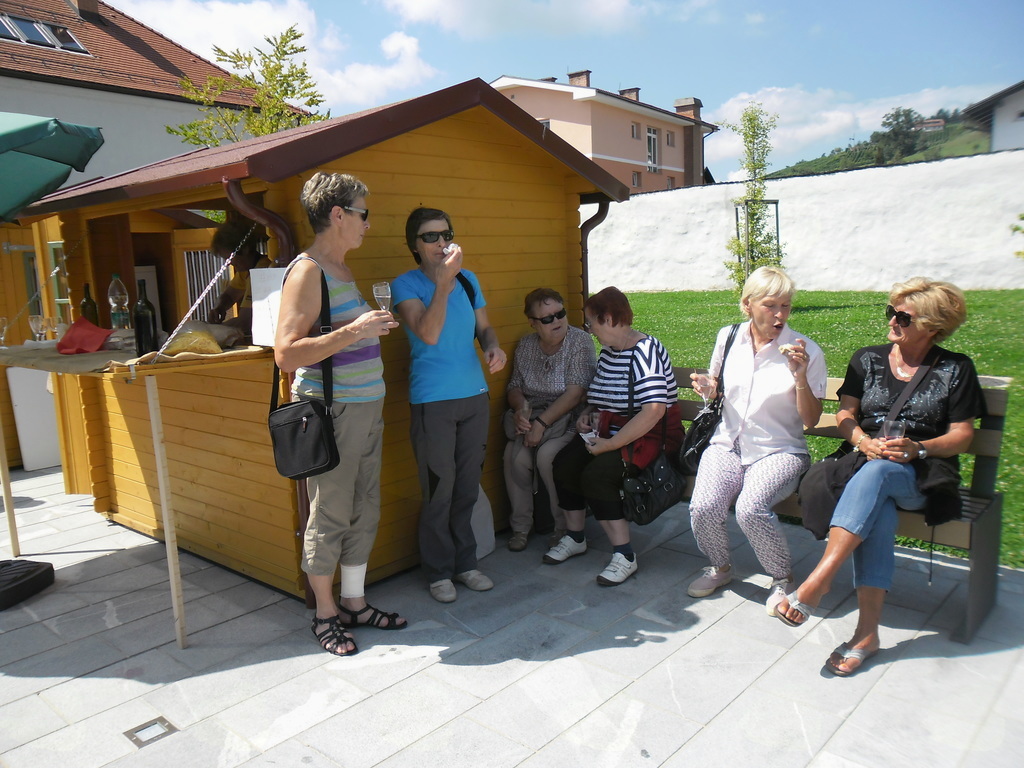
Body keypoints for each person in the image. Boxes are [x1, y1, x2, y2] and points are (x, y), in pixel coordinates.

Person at [774, 278, 986, 677]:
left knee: (883, 472)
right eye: (891, 312)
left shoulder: (955, 368)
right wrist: (861, 440)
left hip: (922, 476)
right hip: (864, 465)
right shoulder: (867, 359)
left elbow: (963, 435)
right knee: (879, 506)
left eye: (903, 317)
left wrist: (917, 448)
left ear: (932, 326)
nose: (892, 321)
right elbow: (845, 413)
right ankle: (866, 636)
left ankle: (819, 580)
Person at [274, 172, 405, 657]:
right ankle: (325, 614)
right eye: (363, 214)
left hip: (366, 405)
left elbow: (339, 332)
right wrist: (356, 331)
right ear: (337, 214)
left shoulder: (342, 270)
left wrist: (366, 328)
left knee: (364, 506)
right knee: (330, 513)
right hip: (333, 411)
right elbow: (286, 354)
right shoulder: (308, 271)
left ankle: (354, 602)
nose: (368, 224)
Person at [686, 267, 827, 610]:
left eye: (785, 306)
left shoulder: (806, 351)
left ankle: (782, 578)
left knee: (750, 509)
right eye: (770, 305)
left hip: (779, 450)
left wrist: (800, 377)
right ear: (747, 304)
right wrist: (708, 388)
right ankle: (720, 567)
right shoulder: (729, 337)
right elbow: (717, 388)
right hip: (728, 443)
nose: (780, 315)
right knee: (703, 507)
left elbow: (811, 420)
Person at [393, 207, 506, 603]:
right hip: (433, 401)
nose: (441, 243)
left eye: (446, 234)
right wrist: (442, 284)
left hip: (474, 396)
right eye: (430, 236)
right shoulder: (406, 284)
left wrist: (493, 347)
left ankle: (465, 564)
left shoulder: (469, 280)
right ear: (414, 245)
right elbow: (428, 333)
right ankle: (438, 572)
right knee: (439, 491)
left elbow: (484, 328)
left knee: (466, 488)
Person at [546, 286, 681, 586]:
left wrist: (610, 444)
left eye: (590, 322)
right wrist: (588, 413)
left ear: (607, 319)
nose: (589, 329)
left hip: (649, 437)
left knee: (598, 475)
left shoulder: (646, 351)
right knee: (565, 463)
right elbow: (602, 396)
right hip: (612, 433)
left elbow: (654, 411)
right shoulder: (610, 351)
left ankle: (624, 555)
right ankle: (575, 537)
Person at [504, 288, 596, 552]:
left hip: (570, 419)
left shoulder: (579, 341)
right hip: (534, 417)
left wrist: (540, 425)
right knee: (514, 457)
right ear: (533, 323)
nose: (556, 321)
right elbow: (514, 386)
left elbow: (576, 393)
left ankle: (564, 527)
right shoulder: (526, 345)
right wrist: (521, 409)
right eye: (547, 318)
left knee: (548, 457)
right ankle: (521, 527)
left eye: (560, 314)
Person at [208, 218, 271, 332]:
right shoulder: (245, 272)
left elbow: (245, 322)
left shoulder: (262, 271)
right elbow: (229, 295)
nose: (228, 264)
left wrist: (209, 331)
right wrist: (219, 307)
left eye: (229, 258)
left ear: (245, 250)